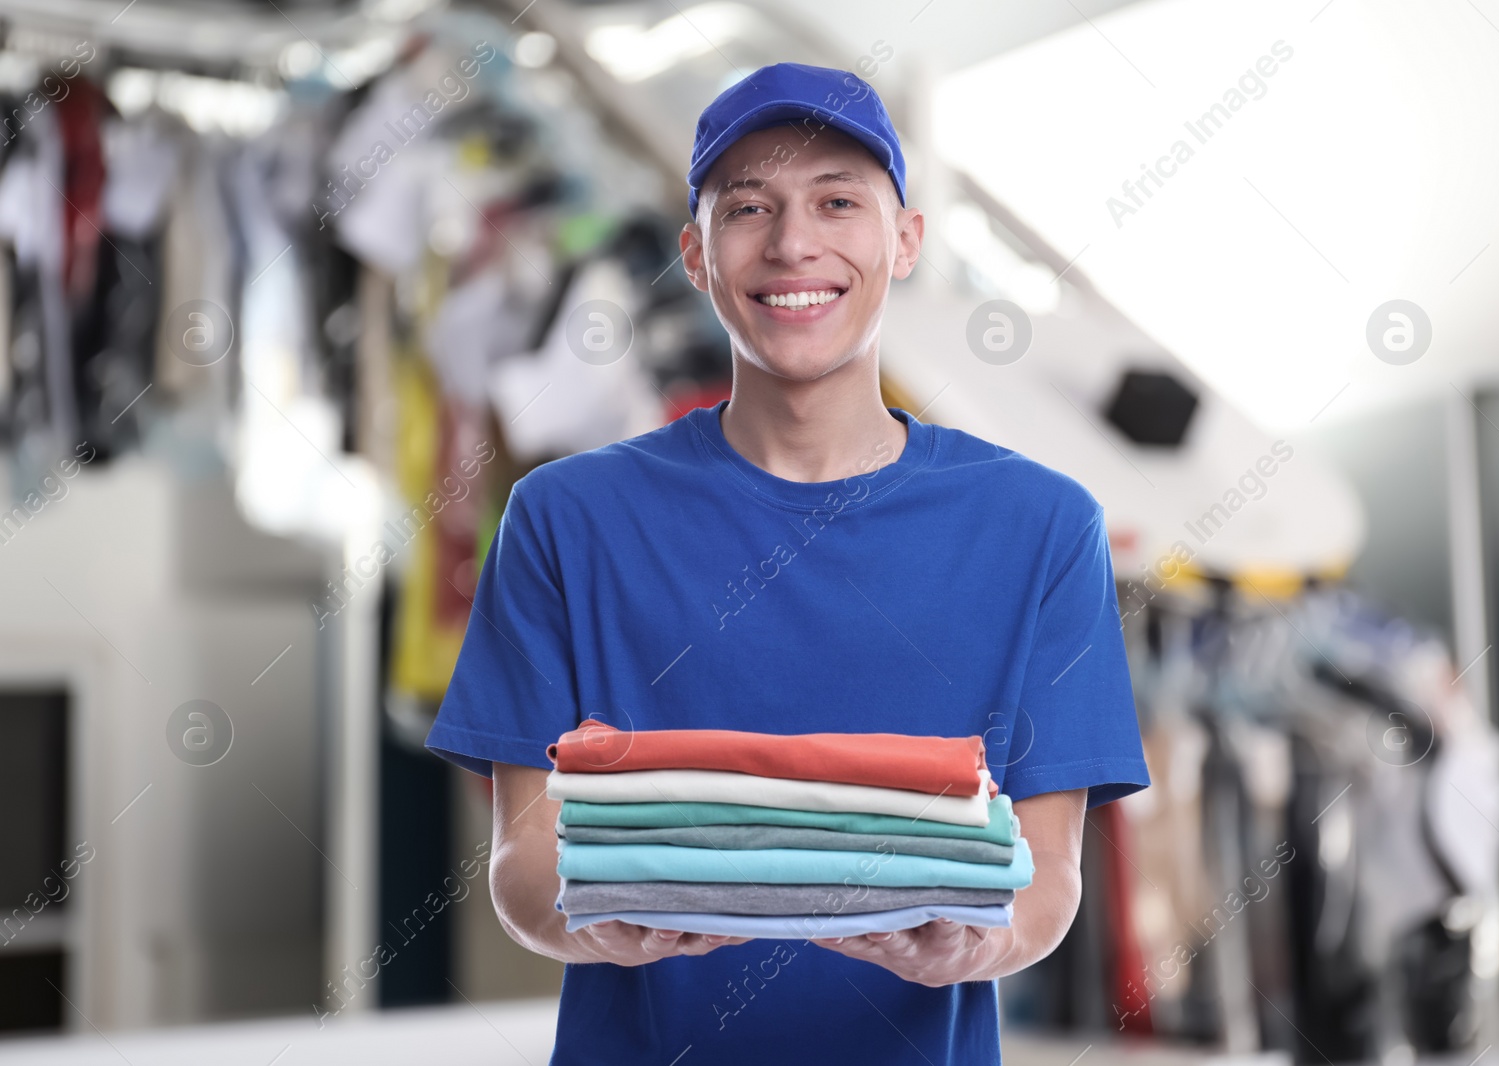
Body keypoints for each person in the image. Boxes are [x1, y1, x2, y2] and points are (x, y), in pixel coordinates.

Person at [425, 61, 1150, 1066]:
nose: (793, 243)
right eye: (749, 206)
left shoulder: (1040, 529)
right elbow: (522, 855)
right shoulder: (564, 520)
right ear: (695, 253)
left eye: (837, 202)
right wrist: (587, 922)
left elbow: (1049, 869)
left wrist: (977, 939)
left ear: (905, 241)